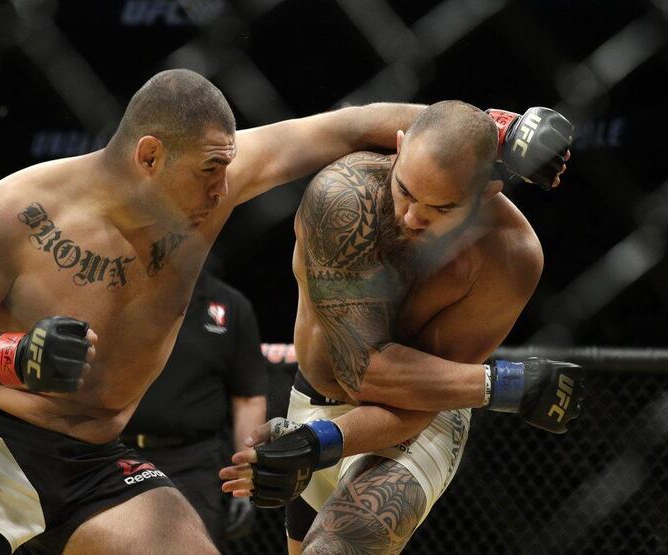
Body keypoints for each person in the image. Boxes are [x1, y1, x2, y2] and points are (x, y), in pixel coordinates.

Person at [0, 68, 433, 555]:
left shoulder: (213, 184)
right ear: (150, 156)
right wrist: (13, 354)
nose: (223, 188)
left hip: (94, 462)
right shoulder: (19, 209)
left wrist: (494, 130)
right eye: (209, 170)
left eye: (225, 168)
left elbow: (347, 125)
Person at [220, 101, 584, 554]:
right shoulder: (344, 198)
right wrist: (506, 385)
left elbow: (418, 393)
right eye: (405, 191)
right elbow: (363, 368)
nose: (412, 217)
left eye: (441, 208)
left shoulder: (508, 257)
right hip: (314, 398)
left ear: (485, 193)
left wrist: (318, 442)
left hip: (416, 423)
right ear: (398, 146)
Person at [121, 267, 267, 549]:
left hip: (193, 464)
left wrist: (245, 481)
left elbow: (248, 399)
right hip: (116, 457)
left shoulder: (229, 306)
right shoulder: (117, 291)